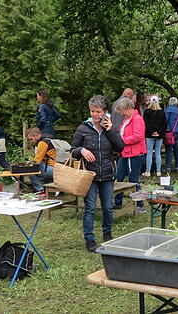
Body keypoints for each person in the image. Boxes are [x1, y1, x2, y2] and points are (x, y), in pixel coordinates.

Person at [70, 95, 125, 252]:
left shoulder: (110, 129)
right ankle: (90, 240)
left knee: (108, 207)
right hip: (90, 175)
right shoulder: (83, 128)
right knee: (90, 208)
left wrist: (110, 130)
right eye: (93, 111)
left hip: (107, 174)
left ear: (105, 112)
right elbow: (72, 150)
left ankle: (107, 235)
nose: (95, 115)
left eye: (98, 111)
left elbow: (120, 147)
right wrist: (81, 150)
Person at [113, 97, 147, 213]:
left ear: (128, 108)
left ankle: (140, 204)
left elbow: (138, 136)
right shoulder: (127, 119)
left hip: (135, 154)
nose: (122, 113)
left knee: (133, 179)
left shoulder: (137, 119)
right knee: (120, 176)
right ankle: (117, 202)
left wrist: (122, 140)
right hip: (125, 153)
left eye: (122, 110)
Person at [26, 127, 57, 193]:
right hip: (58, 168)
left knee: (29, 170)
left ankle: (40, 189)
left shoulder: (42, 143)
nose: (31, 141)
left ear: (36, 136)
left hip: (51, 170)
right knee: (37, 174)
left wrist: (26, 164)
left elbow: (37, 161)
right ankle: (44, 187)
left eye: (31, 139)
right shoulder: (48, 139)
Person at [143, 96, 167, 177]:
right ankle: (158, 171)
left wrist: (152, 132)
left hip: (149, 135)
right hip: (159, 135)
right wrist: (158, 132)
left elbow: (146, 124)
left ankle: (148, 171)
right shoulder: (162, 112)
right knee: (158, 153)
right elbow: (164, 124)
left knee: (149, 153)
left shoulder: (146, 112)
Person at [164, 97, 178, 173]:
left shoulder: (168, 110)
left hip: (170, 133)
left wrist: (165, 130)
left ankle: (168, 167)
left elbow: (165, 121)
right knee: (176, 150)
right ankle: (177, 167)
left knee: (169, 150)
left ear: (170, 102)